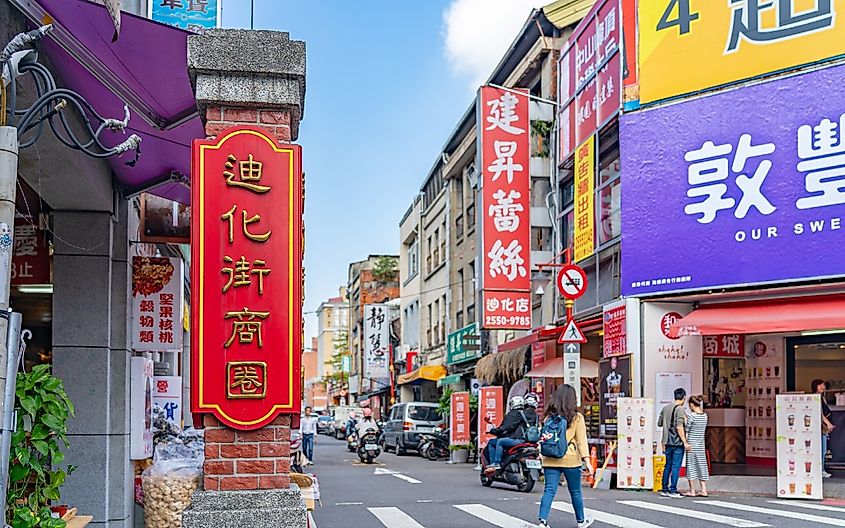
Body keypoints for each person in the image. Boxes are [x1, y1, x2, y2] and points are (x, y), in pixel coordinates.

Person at [537, 384, 594, 528]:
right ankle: (581, 521)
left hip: (550, 458)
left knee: (549, 490)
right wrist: (587, 461)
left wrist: (540, 454)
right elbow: (581, 441)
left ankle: (542, 522)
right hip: (570, 459)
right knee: (575, 491)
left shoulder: (548, 417)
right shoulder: (576, 417)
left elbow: (543, 437)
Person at [486, 395, 533, 471]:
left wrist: (494, 431)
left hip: (519, 440)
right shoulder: (528, 413)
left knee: (497, 442)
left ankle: (496, 463)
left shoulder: (513, 414)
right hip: (528, 441)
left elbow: (504, 428)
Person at [658, 388, 689, 498]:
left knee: (668, 466)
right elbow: (679, 426)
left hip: (666, 441)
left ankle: (664, 488)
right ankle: (673, 489)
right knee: (676, 466)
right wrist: (685, 442)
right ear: (684, 398)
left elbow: (659, 423)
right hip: (677, 442)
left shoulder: (665, 408)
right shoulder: (681, 409)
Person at [683, 395, 709, 497]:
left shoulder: (691, 416)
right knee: (702, 466)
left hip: (691, 444)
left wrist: (685, 419)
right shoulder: (705, 415)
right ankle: (703, 489)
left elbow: (687, 428)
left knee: (691, 467)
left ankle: (692, 490)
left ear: (692, 404)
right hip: (701, 444)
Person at [812, 379, 835, 478]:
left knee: (823, 450)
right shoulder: (816, 398)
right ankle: (820, 470)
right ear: (815, 386)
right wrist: (828, 424)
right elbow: (820, 414)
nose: (823, 387)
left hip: (822, 426)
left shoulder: (822, 398)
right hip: (819, 427)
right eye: (820, 385)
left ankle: (820, 469)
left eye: (823, 385)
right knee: (821, 449)